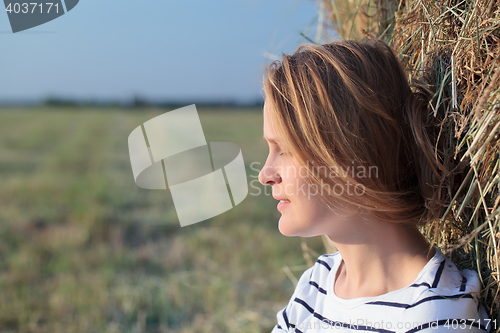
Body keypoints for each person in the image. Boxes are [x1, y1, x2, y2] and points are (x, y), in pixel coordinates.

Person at [258, 39, 491, 332]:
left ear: (352, 157)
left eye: (286, 149)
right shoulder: (316, 285)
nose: (265, 174)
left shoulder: (436, 319)